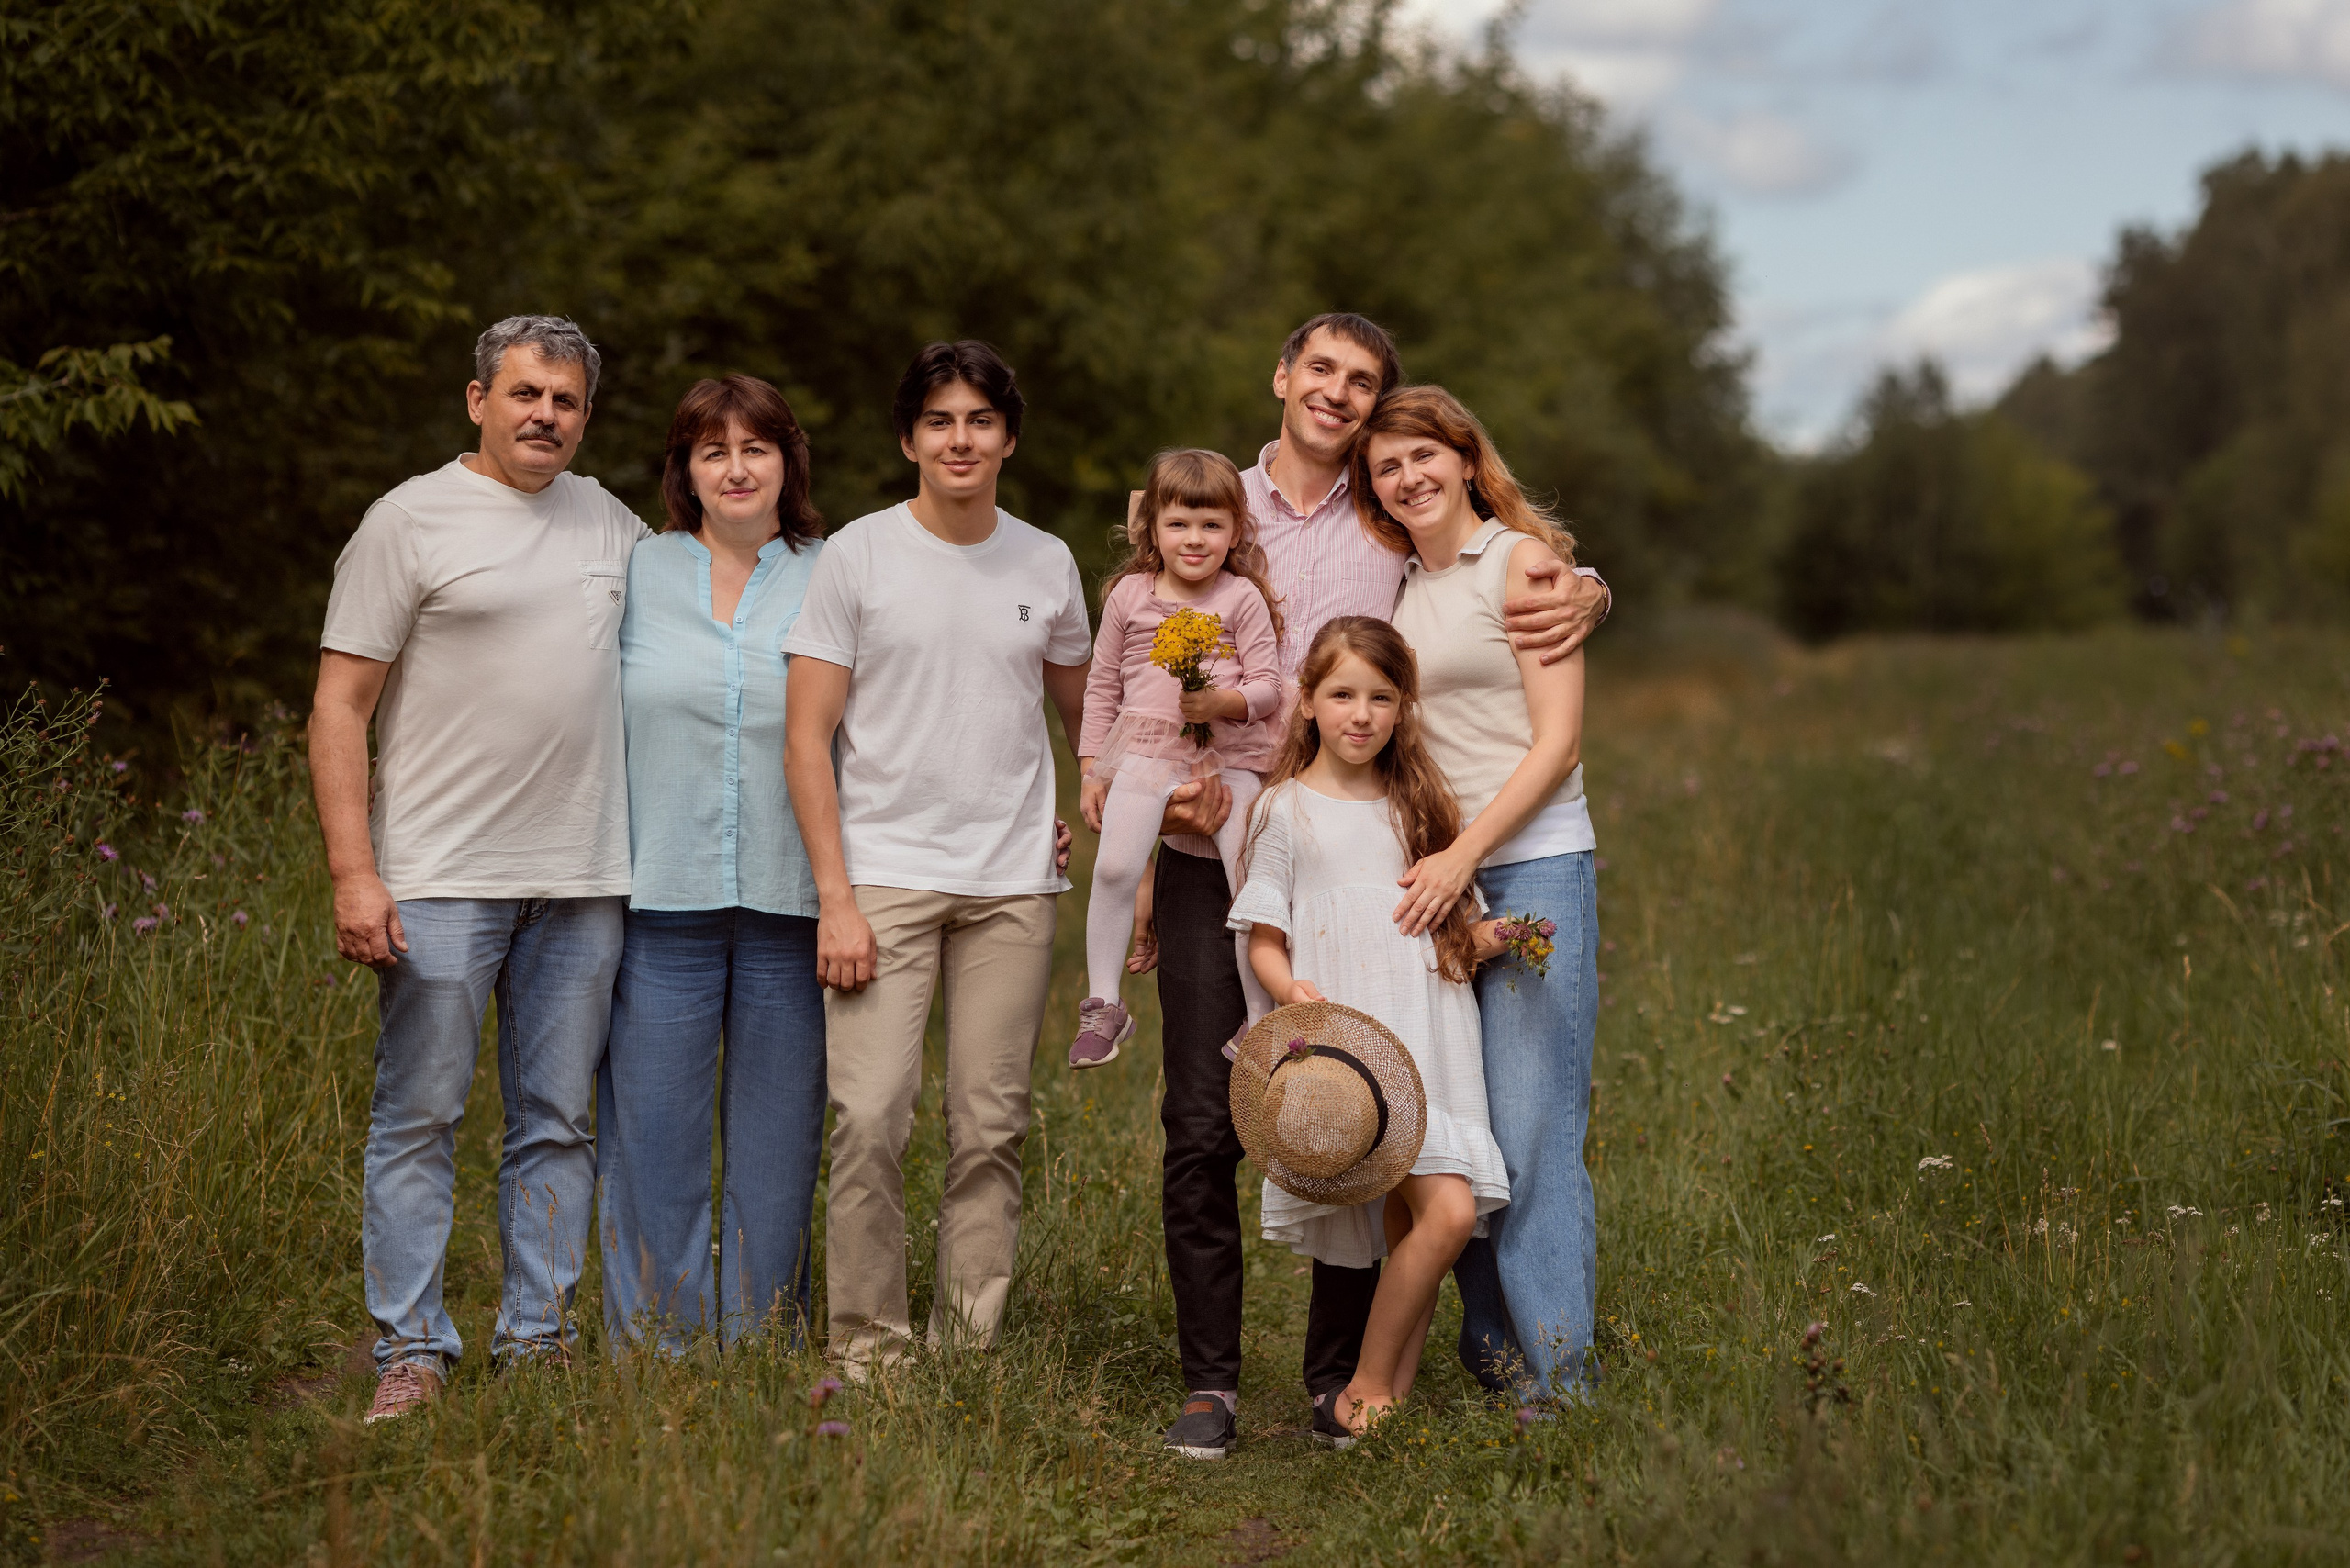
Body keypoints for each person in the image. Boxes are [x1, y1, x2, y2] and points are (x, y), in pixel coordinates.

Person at [1146, 312, 1611, 1460]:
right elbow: (1155, 629)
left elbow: (1519, 630)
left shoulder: (1444, 540)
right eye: (1325, 372)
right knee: (1254, 1120)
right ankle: (1260, 1377)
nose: (1345, 401)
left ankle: (1462, 1376)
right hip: (1300, 845)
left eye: (1370, 389)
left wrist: (1583, 584)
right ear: (1284, 378)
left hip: (1443, 852)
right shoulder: (1262, 518)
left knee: (1456, 1114)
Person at [309, 316, 648, 1423]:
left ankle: (536, 1337)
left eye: (564, 400)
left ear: (586, 418)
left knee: (557, 1119)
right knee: (421, 1116)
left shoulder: (610, 522)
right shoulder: (406, 521)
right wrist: (356, 875)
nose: (544, 414)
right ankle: (410, 1347)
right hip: (441, 875)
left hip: (585, 875)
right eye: (524, 394)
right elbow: (338, 705)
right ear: (477, 400)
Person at [782, 340, 1091, 1378]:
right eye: (940, 421)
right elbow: (805, 737)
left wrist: (1073, 811)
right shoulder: (856, 557)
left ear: (1008, 437)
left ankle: (965, 1347)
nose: (961, 439)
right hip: (882, 878)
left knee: (989, 1122)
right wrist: (835, 897)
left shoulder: (1046, 562)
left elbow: (1086, 727)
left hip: (1011, 885)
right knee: (870, 1116)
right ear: (910, 439)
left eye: (979, 421)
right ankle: (869, 1349)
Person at [1370, 384, 1599, 1398]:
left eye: (1425, 456)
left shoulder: (1519, 562)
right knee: (1455, 1121)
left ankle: (1559, 1385)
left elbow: (1558, 743)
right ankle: (1495, 1349)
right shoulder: (1394, 588)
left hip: (1530, 865)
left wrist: (1465, 857)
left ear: (1466, 457)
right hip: (1429, 878)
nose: (1409, 477)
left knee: (1533, 1124)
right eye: (1387, 467)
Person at [1227, 616, 1510, 1434]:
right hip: (1355, 1044)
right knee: (1447, 1214)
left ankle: (1377, 1404)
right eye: (1342, 694)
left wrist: (1512, 935)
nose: (1362, 714)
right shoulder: (1285, 809)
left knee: (1420, 1219)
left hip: (1432, 1030)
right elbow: (1264, 937)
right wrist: (1294, 996)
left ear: (1402, 707)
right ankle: (1369, 1393)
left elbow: (1455, 929)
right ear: (1308, 702)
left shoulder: (1418, 805)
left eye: (1381, 697)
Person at [595, 375, 828, 1355]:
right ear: (684, 470)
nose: (735, 468)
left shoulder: (836, 572)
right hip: (661, 898)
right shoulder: (633, 570)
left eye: (755, 448)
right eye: (711, 450)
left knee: (778, 1147)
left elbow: (904, 717)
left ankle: (761, 1336)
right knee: (653, 1137)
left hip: (797, 900)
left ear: (787, 461)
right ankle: (660, 1341)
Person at [1071, 450, 1284, 1070]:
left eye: (1212, 526)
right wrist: (1091, 769)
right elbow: (1102, 685)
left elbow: (1269, 686)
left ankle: (1259, 1019)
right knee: (1113, 868)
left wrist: (1220, 699)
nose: (1195, 539)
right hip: (1144, 752)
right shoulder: (1129, 596)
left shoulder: (1241, 598)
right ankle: (1104, 1004)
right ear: (1153, 529)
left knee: (1246, 887)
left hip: (1231, 761)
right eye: (1180, 524)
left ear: (1236, 531)